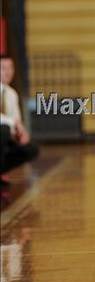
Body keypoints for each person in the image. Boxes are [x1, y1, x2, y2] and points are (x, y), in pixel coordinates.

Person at [0, 55, 39, 187]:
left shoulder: (11, 94)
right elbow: (9, 121)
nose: (8, 72)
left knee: (31, 148)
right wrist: (13, 123)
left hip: (6, 136)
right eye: (3, 68)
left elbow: (17, 120)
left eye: (10, 68)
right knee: (3, 130)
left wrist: (22, 133)